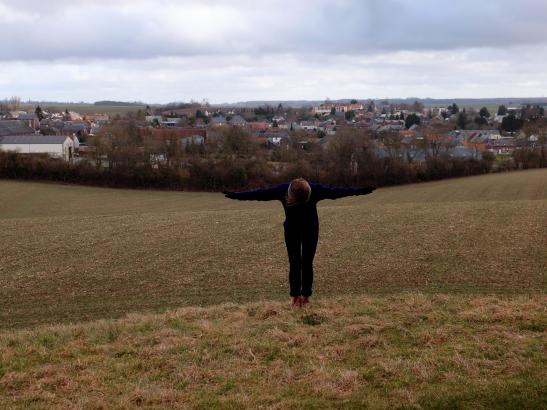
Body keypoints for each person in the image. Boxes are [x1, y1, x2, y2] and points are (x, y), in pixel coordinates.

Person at [224, 178, 375, 307]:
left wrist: (361, 191)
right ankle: (295, 297)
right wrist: (236, 195)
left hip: (311, 230)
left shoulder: (315, 189)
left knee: (307, 262)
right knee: (294, 263)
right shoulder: (282, 190)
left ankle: (306, 297)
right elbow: (258, 194)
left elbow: (338, 192)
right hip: (292, 231)